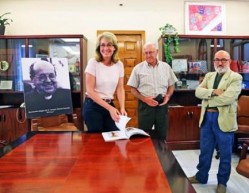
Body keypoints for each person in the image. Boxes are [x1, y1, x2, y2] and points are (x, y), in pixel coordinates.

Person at [188, 50, 242, 193]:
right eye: (217, 59)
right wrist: (213, 92)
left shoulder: (235, 77)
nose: (220, 62)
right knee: (205, 151)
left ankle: (222, 183)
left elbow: (228, 99)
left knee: (225, 153)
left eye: (223, 60)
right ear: (213, 61)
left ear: (229, 61)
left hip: (224, 119)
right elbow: (197, 92)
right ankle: (201, 176)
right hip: (207, 118)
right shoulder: (209, 75)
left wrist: (207, 97)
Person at [127, 42, 178, 139]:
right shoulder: (138, 68)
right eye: (146, 53)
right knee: (143, 135)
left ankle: (161, 154)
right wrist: (145, 99)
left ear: (157, 52)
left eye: (151, 52)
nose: (148, 55)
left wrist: (168, 96)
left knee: (162, 135)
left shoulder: (166, 67)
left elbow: (171, 85)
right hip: (145, 106)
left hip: (162, 105)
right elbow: (133, 90)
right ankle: (145, 154)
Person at [82, 32, 127, 133]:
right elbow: (90, 90)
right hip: (93, 106)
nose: (106, 48)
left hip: (109, 104)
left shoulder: (119, 64)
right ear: (99, 47)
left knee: (114, 135)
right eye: (103, 45)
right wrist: (110, 108)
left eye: (109, 45)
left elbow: (120, 89)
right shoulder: (93, 62)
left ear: (114, 47)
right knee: (97, 141)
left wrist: (122, 107)